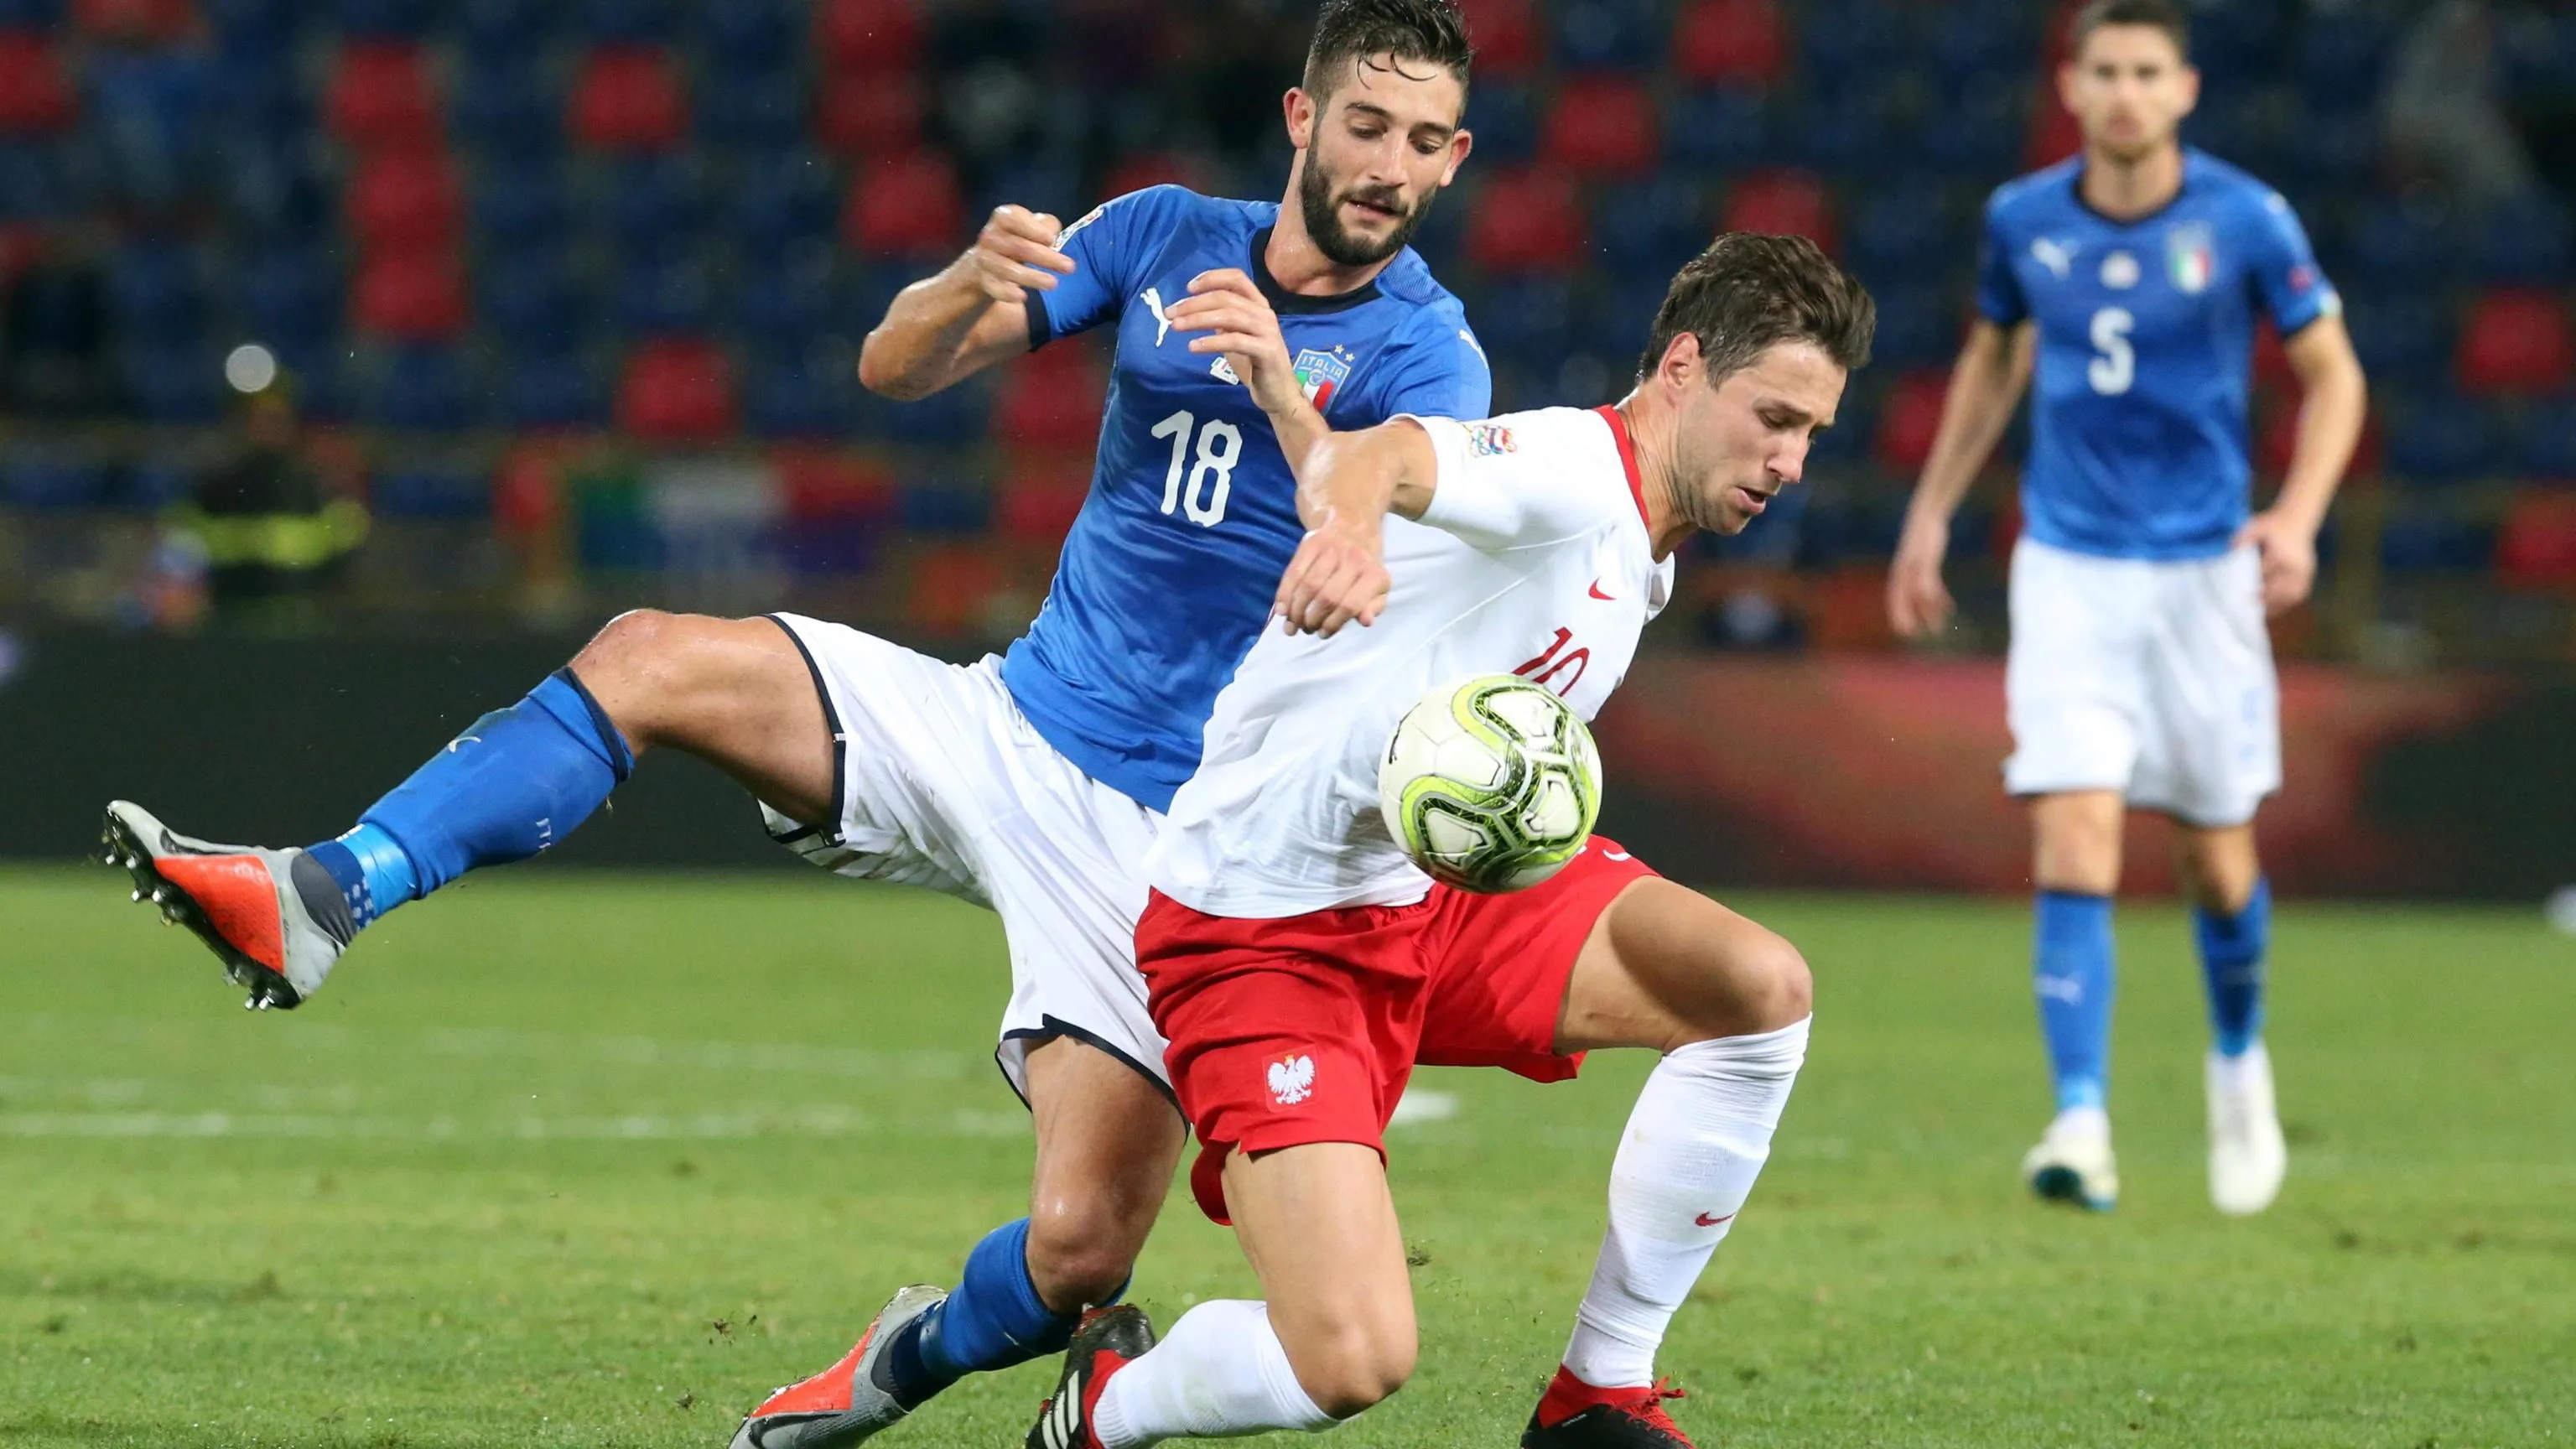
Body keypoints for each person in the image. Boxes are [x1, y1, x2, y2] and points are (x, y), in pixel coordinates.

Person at [101, 3, 1489, 1444]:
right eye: (1364, 124)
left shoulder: (1433, 361)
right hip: (998, 720)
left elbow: (1361, 509)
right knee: (648, 655)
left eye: (1421, 140)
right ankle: (322, 894)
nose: (1386, 163)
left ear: (1455, 160)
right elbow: (895, 367)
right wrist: (964, 281)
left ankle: (900, 1366)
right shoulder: (1160, 233)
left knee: (1081, 1250)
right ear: (1300, 120)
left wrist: (1278, 385)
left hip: (1172, 849)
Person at [1020, 233, 1875, 1449]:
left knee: (1758, 990)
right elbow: (1391, 456)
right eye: (1774, 417)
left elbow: (1353, 473)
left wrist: (1332, 478)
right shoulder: (1578, 471)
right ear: (1684, 367)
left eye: (1815, 436)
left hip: (1437, 892)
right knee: (1351, 1360)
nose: (1790, 462)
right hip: (1266, 929)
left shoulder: (1644, 545)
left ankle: (1598, 1398)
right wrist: (1354, 524)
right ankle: (1112, 1402)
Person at [1883, 0, 2367, 1216]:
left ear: (2185, 88)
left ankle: (2238, 1057)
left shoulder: (2246, 217)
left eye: (2148, 71)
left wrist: (2298, 517)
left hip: (2207, 575)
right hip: (2070, 568)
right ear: (2073, 82)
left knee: (2214, 859)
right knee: (2076, 832)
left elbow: (2335, 377)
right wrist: (1933, 511)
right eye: (2105, 70)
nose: (2125, 92)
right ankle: (2082, 1119)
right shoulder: (2022, 219)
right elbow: (1993, 364)